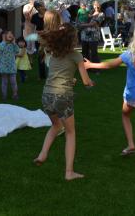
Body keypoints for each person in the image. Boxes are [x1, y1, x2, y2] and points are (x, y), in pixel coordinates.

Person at [84, 25, 135, 169]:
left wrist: (90, 65)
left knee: (125, 116)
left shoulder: (129, 55)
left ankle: (131, 144)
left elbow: (108, 65)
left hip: (132, 95)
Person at [33, 23, 94, 181]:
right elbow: (86, 81)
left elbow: (60, 74)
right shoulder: (76, 56)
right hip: (62, 97)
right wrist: (90, 83)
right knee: (70, 132)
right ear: (73, 39)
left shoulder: (54, 53)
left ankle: (42, 154)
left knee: (55, 126)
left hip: (47, 95)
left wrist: (71, 80)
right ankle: (69, 172)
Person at [80, 1, 104, 65]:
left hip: (93, 36)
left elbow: (94, 24)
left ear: (100, 6)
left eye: (98, 5)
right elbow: (81, 19)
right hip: (84, 35)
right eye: (95, 5)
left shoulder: (101, 14)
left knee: (94, 53)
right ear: (93, 6)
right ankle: (86, 67)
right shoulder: (90, 13)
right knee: (84, 53)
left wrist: (83, 25)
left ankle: (96, 69)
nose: (96, 6)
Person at [0, 30, 20, 100]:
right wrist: (4, 41)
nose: (10, 35)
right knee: (4, 81)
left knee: (13, 81)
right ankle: (4, 95)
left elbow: (17, 51)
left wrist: (14, 43)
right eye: (8, 34)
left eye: (11, 33)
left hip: (12, 66)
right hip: (3, 66)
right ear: (4, 36)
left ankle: (15, 94)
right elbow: (0, 49)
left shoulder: (13, 45)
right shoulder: (1, 44)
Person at [31, 2, 47, 80]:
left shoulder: (48, 14)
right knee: (41, 55)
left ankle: (52, 74)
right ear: (37, 8)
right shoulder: (34, 17)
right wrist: (38, 32)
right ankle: (42, 75)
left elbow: (52, 25)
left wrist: (45, 31)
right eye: (40, 6)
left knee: (50, 55)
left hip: (49, 37)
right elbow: (32, 28)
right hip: (39, 38)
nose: (43, 7)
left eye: (43, 5)